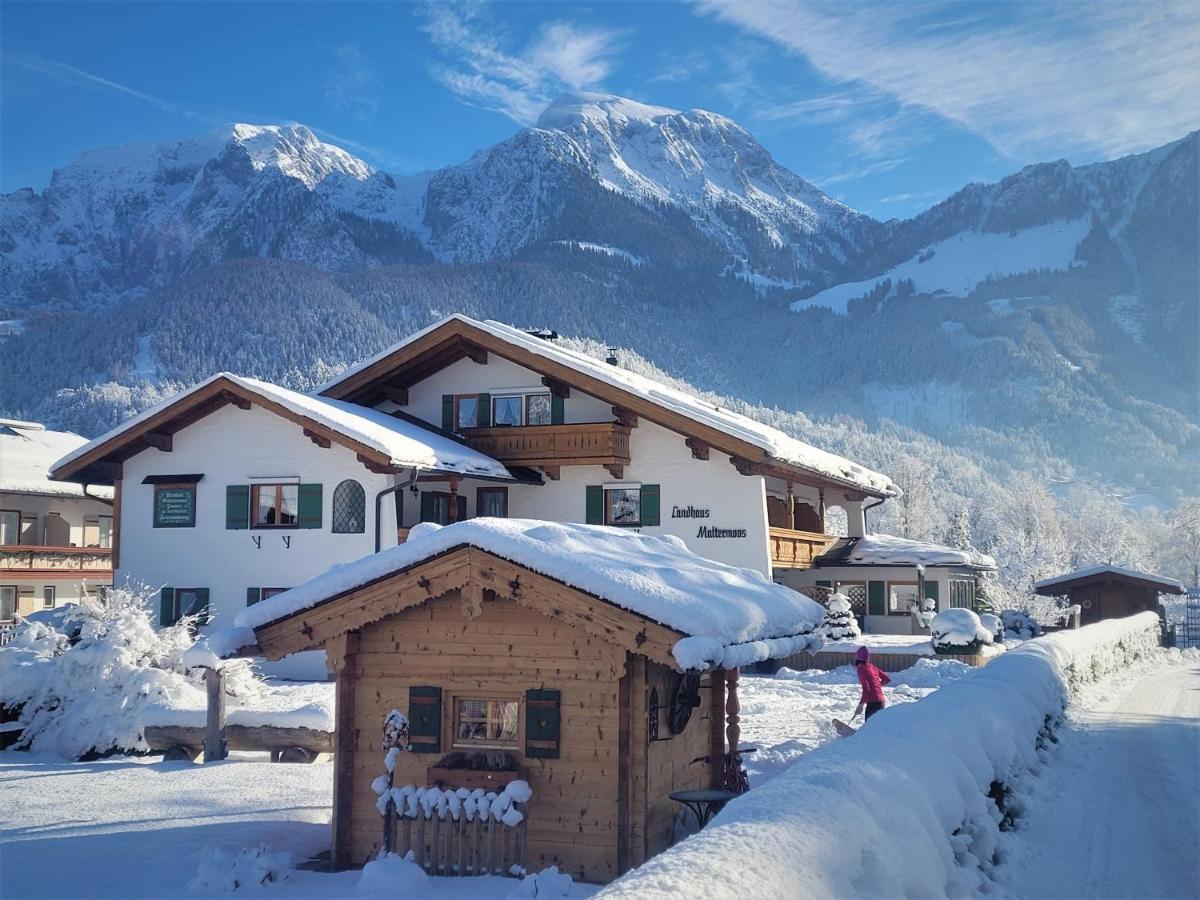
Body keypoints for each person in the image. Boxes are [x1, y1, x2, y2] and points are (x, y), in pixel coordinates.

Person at [853, 645, 890, 722]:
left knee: (869, 728)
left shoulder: (861, 669)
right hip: (881, 702)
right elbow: (886, 679)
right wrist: (876, 686)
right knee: (876, 726)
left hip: (873, 703)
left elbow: (866, 689)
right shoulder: (872, 667)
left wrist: (861, 705)